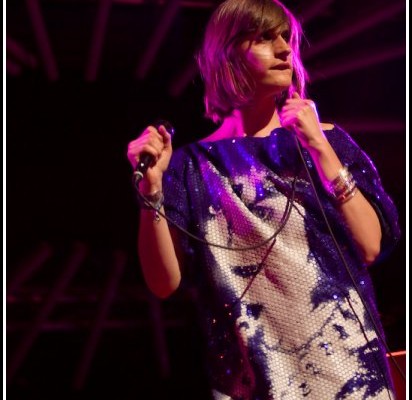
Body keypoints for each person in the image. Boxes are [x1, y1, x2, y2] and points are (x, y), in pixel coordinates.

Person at [127, 0, 401, 398]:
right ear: (228, 54)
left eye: (287, 38)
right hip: (255, 381)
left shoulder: (326, 140)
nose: (285, 49)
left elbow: (371, 246)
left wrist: (319, 148)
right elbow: (164, 283)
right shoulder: (191, 166)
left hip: (349, 372)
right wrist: (150, 193)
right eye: (264, 38)